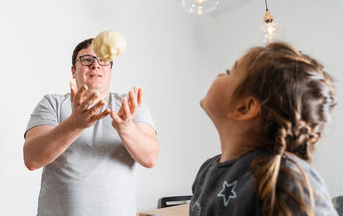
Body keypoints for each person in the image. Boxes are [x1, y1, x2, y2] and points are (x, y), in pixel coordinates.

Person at [190, 42, 338, 216]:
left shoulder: (285, 178)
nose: (220, 74)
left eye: (229, 71)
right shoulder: (207, 169)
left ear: (245, 108)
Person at [23, 38, 159, 216]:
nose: (95, 65)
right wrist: (74, 125)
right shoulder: (52, 103)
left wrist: (126, 128)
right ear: (73, 70)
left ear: (110, 70)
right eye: (86, 59)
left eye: (103, 59)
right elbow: (32, 159)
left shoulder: (131, 106)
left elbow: (150, 158)